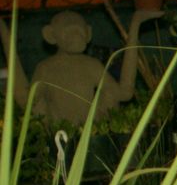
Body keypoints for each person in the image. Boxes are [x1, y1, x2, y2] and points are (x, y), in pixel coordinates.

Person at [0, 9, 163, 125]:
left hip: (92, 137)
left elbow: (124, 93)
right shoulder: (46, 68)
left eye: (79, 31)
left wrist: (135, 25)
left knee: (109, 96)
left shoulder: (91, 65)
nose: (76, 36)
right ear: (51, 36)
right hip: (60, 141)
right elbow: (29, 103)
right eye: (69, 31)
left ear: (88, 34)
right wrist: (4, 33)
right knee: (37, 105)